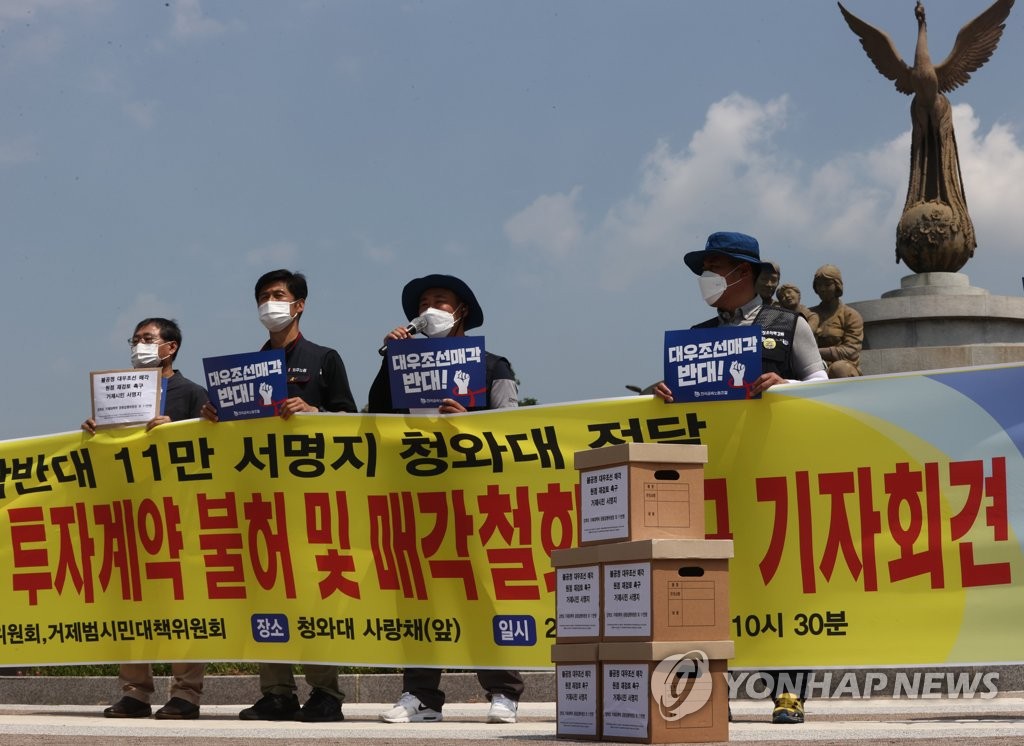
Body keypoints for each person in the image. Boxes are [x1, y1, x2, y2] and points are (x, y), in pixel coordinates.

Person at [654, 232, 827, 725]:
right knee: (707, 585)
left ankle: (788, 692)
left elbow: (821, 382)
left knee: (779, 578)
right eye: (704, 266)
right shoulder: (695, 335)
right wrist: (662, 392)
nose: (706, 277)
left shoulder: (787, 325)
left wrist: (786, 385)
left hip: (772, 474)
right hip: (713, 479)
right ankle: (712, 693)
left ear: (743, 273)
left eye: (715, 265)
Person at [201, 269, 358, 723]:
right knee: (266, 592)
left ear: (300, 304)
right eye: (264, 296)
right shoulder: (241, 371)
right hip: (259, 501)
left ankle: (326, 693)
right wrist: (214, 416)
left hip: (310, 500)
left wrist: (314, 412)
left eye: (279, 295)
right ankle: (277, 693)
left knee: (313, 595)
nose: (271, 302)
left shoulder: (324, 358)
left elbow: (351, 421)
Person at [368, 273, 524, 725]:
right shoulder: (399, 364)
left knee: (480, 589)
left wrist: (468, 423)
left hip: (474, 498)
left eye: (440, 300)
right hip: (416, 495)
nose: (430, 307)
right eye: (423, 302)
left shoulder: (493, 365)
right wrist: (388, 357)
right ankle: (420, 695)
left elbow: (511, 426)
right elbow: (374, 416)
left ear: (461, 312)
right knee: (419, 594)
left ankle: (503, 690)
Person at [83, 318, 208, 720]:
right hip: (130, 511)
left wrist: (180, 429)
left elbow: (212, 445)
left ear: (170, 347)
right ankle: (135, 692)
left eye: (147, 339)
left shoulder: (192, 393)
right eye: (135, 340)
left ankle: (186, 694)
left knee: (182, 604)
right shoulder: (117, 392)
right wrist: (93, 431)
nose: (139, 346)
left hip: (178, 513)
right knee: (132, 602)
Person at [807, 264, 863, 378]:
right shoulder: (808, 314)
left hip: (841, 369)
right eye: (819, 285)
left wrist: (816, 352)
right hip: (813, 368)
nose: (822, 289)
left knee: (840, 368)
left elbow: (850, 351)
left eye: (827, 285)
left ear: (837, 286)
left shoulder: (850, 315)